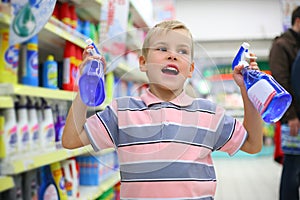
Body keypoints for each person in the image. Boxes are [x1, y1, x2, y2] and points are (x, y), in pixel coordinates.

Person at [62, 20, 263, 199]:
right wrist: (85, 86)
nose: (173, 56)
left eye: (182, 51)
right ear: (143, 63)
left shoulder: (209, 114)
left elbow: (253, 144)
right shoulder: (122, 112)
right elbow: (71, 139)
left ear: (191, 69)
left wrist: (247, 90)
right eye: (162, 49)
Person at [269, 6, 300, 200]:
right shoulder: (282, 45)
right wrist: (291, 116)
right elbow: (281, 83)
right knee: (293, 167)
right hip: (293, 119)